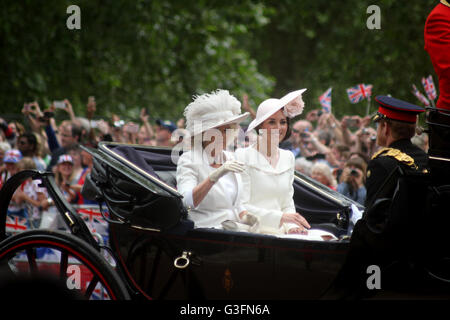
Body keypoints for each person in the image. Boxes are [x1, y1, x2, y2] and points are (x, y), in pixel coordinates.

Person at [330, 96, 429, 298]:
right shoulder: (425, 159)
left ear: (385, 128)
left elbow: (374, 222)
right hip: (423, 255)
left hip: (387, 260)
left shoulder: (383, 163)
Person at [236, 89, 311, 234]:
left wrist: (292, 227)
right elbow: (242, 207)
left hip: (282, 234)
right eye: (272, 122)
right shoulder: (242, 156)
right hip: (251, 233)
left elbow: (287, 203)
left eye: (283, 122)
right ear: (260, 126)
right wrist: (282, 218)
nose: (279, 127)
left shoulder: (288, 157)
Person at [176, 89, 250, 229]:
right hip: (207, 230)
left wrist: (247, 216)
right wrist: (214, 176)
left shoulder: (229, 157)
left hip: (235, 229)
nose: (223, 135)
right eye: (219, 130)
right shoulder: (189, 159)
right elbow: (187, 203)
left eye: (227, 130)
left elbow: (236, 204)